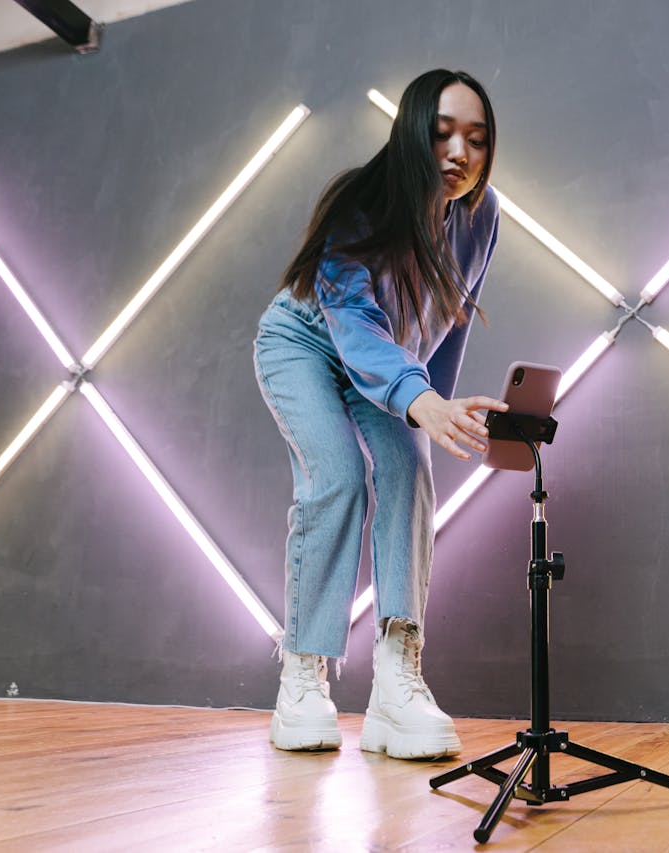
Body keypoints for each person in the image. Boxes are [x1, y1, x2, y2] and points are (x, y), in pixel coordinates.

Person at [253, 69, 507, 759]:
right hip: (306, 340)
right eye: (442, 132)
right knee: (335, 477)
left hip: (390, 366)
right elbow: (356, 325)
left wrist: (435, 413)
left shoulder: (480, 219)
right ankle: (303, 674)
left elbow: (448, 326)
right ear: (411, 131)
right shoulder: (361, 201)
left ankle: (397, 681)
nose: (459, 152)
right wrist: (415, 396)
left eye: (477, 140)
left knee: (406, 467)